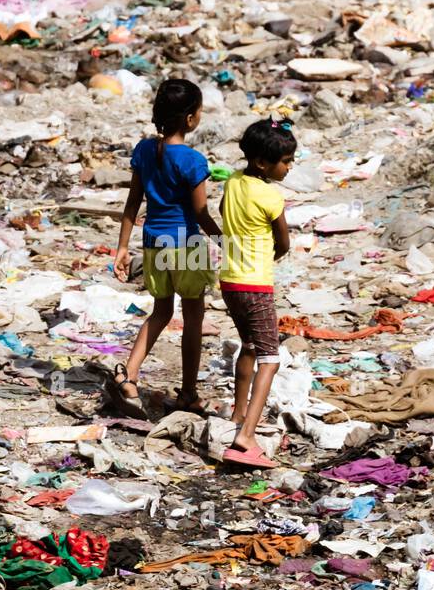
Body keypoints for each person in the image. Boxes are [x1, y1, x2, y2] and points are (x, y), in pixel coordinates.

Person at [109, 79, 222, 418]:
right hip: (188, 244)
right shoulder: (192, 160)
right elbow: (201, 213)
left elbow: (132, 203)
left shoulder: (144, 150)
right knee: (193, 319)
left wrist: (122, 248)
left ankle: (128, 375)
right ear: (190, 118)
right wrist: (224, 243)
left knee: (160, 312)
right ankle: (188, 392)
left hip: (153, 243)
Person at [218, 118, 295, 467]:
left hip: (230, 281)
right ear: (263, 163)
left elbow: (221, 213)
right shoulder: (269, 194)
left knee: (248, 344)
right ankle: (245, 437)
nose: (289, 167)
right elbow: (284, 240)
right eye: (285, 161)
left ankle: (238, 413)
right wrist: (273, 253)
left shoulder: (233, 182)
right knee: (270, 357)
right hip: (255, 284)